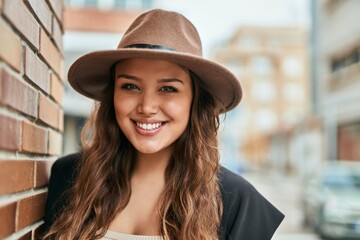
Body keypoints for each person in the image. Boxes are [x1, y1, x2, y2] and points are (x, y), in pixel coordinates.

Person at [43, 9, 284, 240]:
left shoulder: (238, 202)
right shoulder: (69, 177)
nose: (147, 107)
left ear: (195, 101)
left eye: (168, 89)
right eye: (130, 86)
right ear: (112, 94)